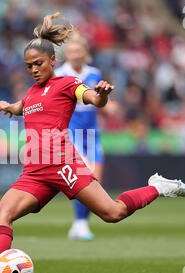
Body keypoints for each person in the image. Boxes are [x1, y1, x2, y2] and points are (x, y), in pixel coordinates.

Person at [0, 13, 185, 273]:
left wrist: (101, 94)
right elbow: (24, 106)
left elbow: (92, 99)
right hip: (35, 172)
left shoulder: (66, 84)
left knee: (112, 213)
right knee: (2, 214)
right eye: (29, 66)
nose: (33, 69)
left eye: (38, 64)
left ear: (53, 61)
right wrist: (11, 108)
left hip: (62, 165)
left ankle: (159, 187)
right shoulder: (31, 93)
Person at [55, 32, 117, 241]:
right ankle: (80, 224)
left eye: (78, 50)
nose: (75, 54)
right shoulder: (59, 75)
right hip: (71, 133)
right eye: (71, 50)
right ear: (66, 53)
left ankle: (80, 223)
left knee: (95, 180)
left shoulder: (94, 73)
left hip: (92, 134)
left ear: (85, 53)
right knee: (85, 179)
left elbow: (99, 101)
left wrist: (109, 104)